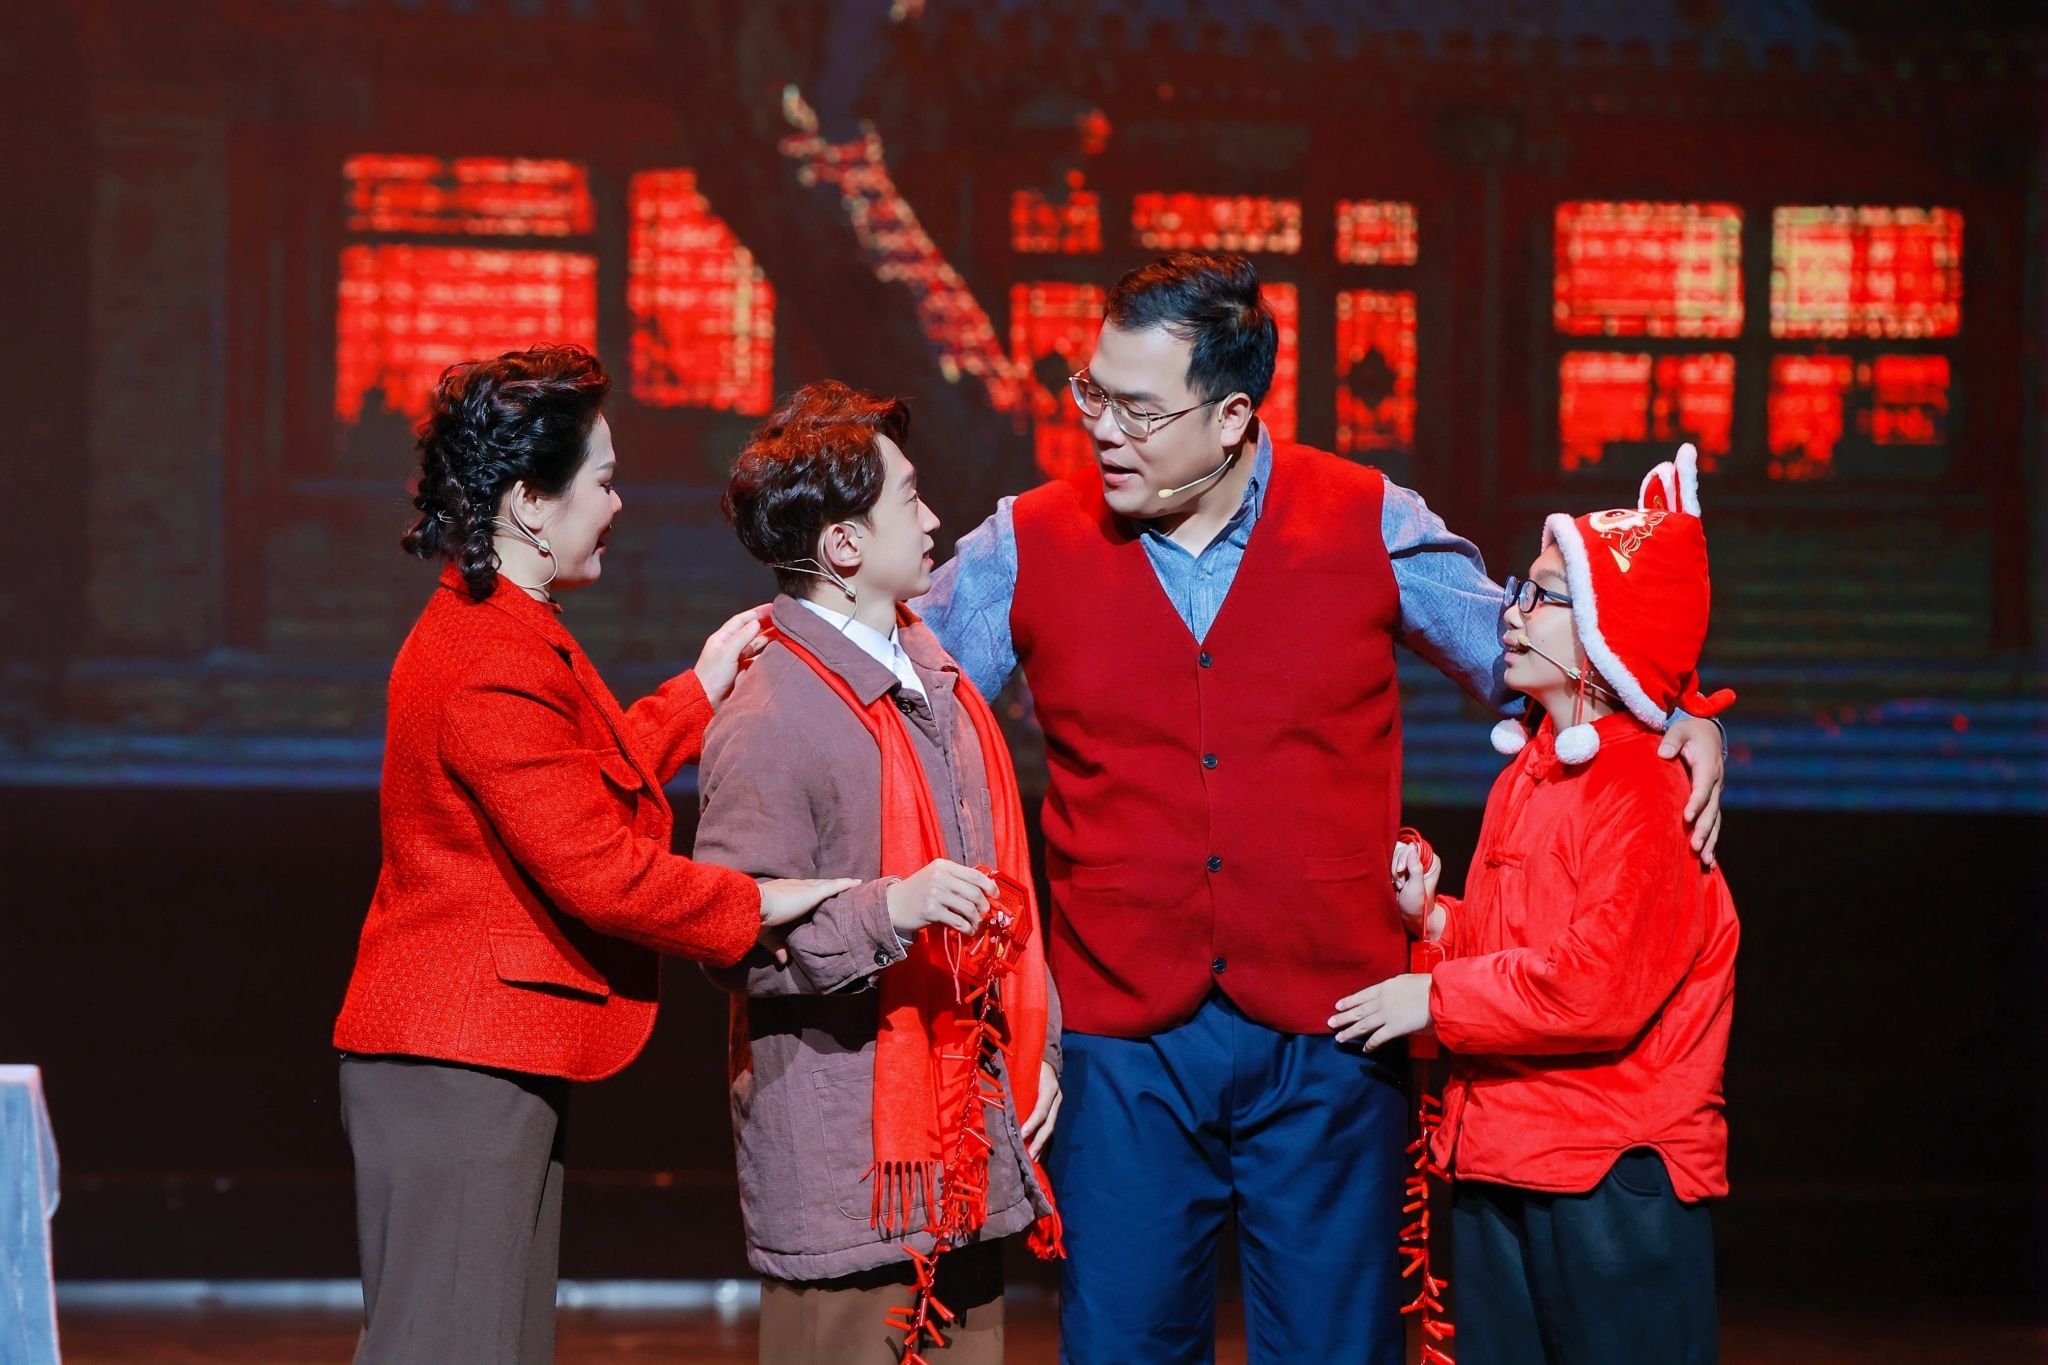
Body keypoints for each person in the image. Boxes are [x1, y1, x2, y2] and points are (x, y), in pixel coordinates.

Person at [911, 253, 1728, 1362]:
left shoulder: (1366, 519)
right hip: (1120, 1033)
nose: (1102, 429)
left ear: (1232, 415)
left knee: (1335, 1348)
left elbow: (1543, 656)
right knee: (1121, 1344)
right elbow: (903, 708)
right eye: (1092, 394)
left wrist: (1677, 714)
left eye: (1140, 410)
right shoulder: (1028, 539)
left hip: (1334, 1032)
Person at [331, 345, 853, 1365]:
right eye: (603, 482)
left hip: (478, 1058)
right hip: (456, 1062)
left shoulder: (502, 628)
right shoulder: (488, 656)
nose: (616, 506)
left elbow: (573, 781)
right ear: (532, 502)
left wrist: (697, 694)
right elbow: (597, 868)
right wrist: (762, 903)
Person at [1334, 442, 1739, 1364]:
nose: (1512, 612)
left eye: (1546, 596)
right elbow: (1518, 944)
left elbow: (1595, 987)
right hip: (1507, 1155)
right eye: (1524, 589)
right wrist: (1437, 923)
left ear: (1607, 632)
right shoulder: (1533, 771)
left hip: (1608, 1174)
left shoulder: (1644, 789)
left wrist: (1433, 997)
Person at [694, 382, 1062, 1364]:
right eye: (909, 498)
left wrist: (1043, 1049)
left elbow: (1003, 900)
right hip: (848, 1175)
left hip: (964, 1153)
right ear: (845, 545)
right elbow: (728, 935)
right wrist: (888, 910)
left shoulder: (938, 684)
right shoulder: (773, 711)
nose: (932, 518)